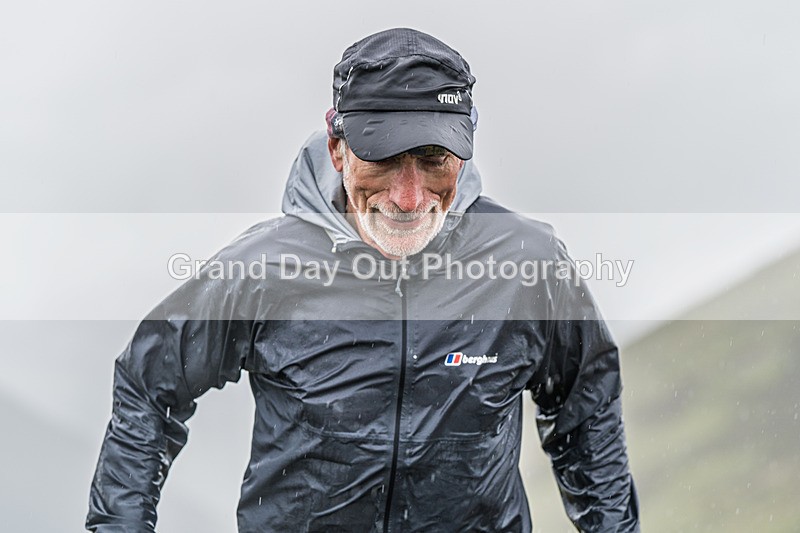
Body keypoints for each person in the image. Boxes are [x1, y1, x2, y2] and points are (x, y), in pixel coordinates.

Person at [87, 28, 639, 532]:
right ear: (338, 149)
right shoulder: (261, 271)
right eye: (383, 159)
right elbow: (148, 383)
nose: (409, 197)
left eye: (433, 159)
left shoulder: (528, 265)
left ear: (465, 151)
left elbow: (584, 404)